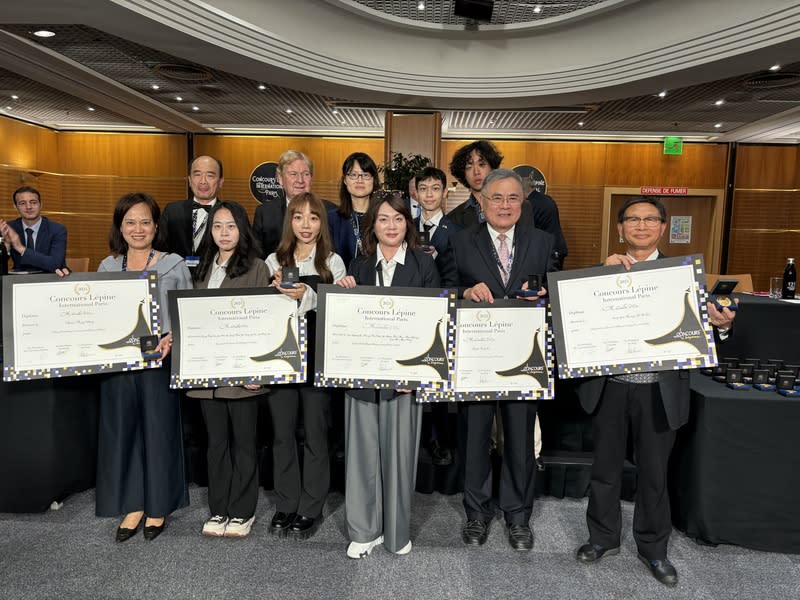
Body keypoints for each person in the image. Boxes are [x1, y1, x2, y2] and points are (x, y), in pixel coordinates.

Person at [574, 196, 736, 587]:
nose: (641, 226)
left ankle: (653, 548)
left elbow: (702, 333)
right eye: (633, 219)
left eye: (650, 220)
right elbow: (576, 321)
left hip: (659, 393)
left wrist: (721, 325)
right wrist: (599, 275)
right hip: (610, 388)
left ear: (663, 228)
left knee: (654, 474)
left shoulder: (682, 277)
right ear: (620, 228)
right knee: (605, 471)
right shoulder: (601, 273)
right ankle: (602, 539)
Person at [440, 169, 558, 552]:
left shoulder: (543, 241)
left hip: (524, 357)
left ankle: (518, 515)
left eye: (512, 199)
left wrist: (543, 295)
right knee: (475, 438)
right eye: (497, 198)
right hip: (478, 357)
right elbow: (442, 291)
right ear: (482, 201)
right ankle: (476, 513)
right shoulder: (460, 242)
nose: (505, 206)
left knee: (520, 441)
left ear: (523, 203)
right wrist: (463, 292)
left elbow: (554, 291)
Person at [336, 190, 440, 558]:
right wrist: (343, 290)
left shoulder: (424, 265)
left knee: (398, 457)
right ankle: (364, 531)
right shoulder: (359, 266)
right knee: (361, 455)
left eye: (398, 219)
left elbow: (435, 323)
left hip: (405, 382)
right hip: (362, 379)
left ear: (406, 224)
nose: (391, 226)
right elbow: (345, 323)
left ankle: (396, 532)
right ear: (373, 226)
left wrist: (422, 375)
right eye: (383, 219)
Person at [96, 192, 190, 542]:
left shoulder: (173, 264)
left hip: (158, 362)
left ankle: (158, 505)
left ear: (156, 226)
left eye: (145, 222)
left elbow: (187, 313)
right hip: (117, 365)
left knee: (158, 431)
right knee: (124, 432)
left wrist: (172, 338)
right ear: (120, 227)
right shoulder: (107, 267)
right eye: (130, 222)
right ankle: (133, 503)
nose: (138, 229)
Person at [265, 192, 345, 539]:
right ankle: (286, 503)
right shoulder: (273, 260)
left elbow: (340, 312)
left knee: (315, 434)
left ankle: (310, 506)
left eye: (314, 218)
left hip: (317, 358)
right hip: (281, 356)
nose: (306, 225)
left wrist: (308, 297)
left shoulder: (334, 261)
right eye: (299, 217)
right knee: (282, 434)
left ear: (321, 224)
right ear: (290, 222)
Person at [189, 201, 270, 539]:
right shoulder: (200, 266)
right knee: (216, 443)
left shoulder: (257, 267)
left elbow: (266, 322)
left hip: (243, 373)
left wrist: (260, 371)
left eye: (231, 226)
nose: (224, 232)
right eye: (218, 226)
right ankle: (219, 509)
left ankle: (242, 511)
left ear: (242, 229)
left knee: (244, 443)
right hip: (207, 373)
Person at [413, 166, 462, 466]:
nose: (429, 194)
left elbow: (457, 275)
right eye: (423, 188)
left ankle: (439, 441)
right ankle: (416, 437)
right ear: (415, 193)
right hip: (411, 313)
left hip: (442, 312)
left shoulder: (457, 233)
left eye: (435, 188)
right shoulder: (403, 226)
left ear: (445, 192)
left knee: (438, 380)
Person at [254, 150, 335, 258]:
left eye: (305, 174)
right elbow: (256, 258)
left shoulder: (330, 211)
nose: (300, 180)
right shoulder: (265, 213)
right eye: (293, 174)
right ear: (280, 178)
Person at [446, 141, 533, 229]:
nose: (476, 172)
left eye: (481, 164)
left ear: (492, 168)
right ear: (463, 173)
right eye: (469, 167)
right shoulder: (454, 218)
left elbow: (528, 240)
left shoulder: (521, 206)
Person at [159, 155, 225, 263]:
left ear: (220, 181)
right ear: (189, 180)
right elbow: (160, 249)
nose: (203, 181)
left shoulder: (230, 214)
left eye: (210, 175)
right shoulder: (172, 211)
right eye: (197, 174)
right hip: (177, 276)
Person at [328, 152, 379, 268]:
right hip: (341, 282)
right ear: (345, 180)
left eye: (365, 175)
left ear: (374, 180)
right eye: (353, 175)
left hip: (378, 283)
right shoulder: (331, 219)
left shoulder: (384, 217)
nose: (359, 180)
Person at [0, 186, 67, 272]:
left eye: (33, 202)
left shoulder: (57, 229)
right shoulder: (8, 228)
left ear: (41, 204)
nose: (28, 207)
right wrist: (7, 246)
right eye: (22, 203)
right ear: (15, 207)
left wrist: (20, 248)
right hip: (19, 282)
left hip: (49, 279)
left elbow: (55, 264)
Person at [520, 172, 568, 269]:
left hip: (546, 251)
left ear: (522, 190)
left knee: (545, 282)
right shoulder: (548, 199)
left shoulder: (529, 205)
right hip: (559, 247)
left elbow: (528, 230)